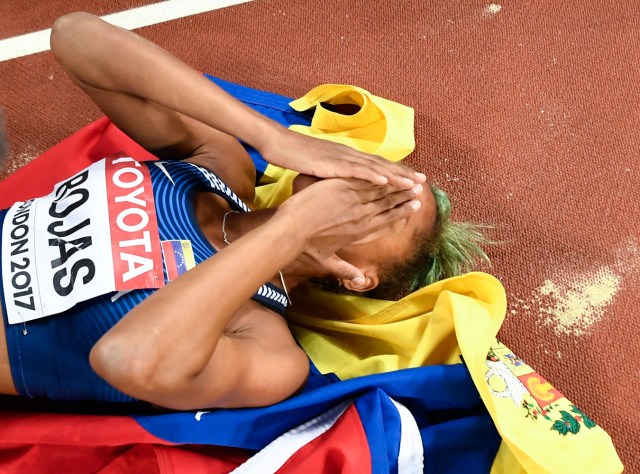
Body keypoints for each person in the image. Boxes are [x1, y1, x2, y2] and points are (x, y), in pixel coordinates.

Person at [0, 12, 487, 411]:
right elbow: (77, 38)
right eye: (381, 175)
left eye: (388, 208)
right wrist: (272, 138)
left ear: (359, 276)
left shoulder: (267, 348)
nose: (373, 185)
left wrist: (296, 228)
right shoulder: (221, 171)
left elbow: (126, 358)